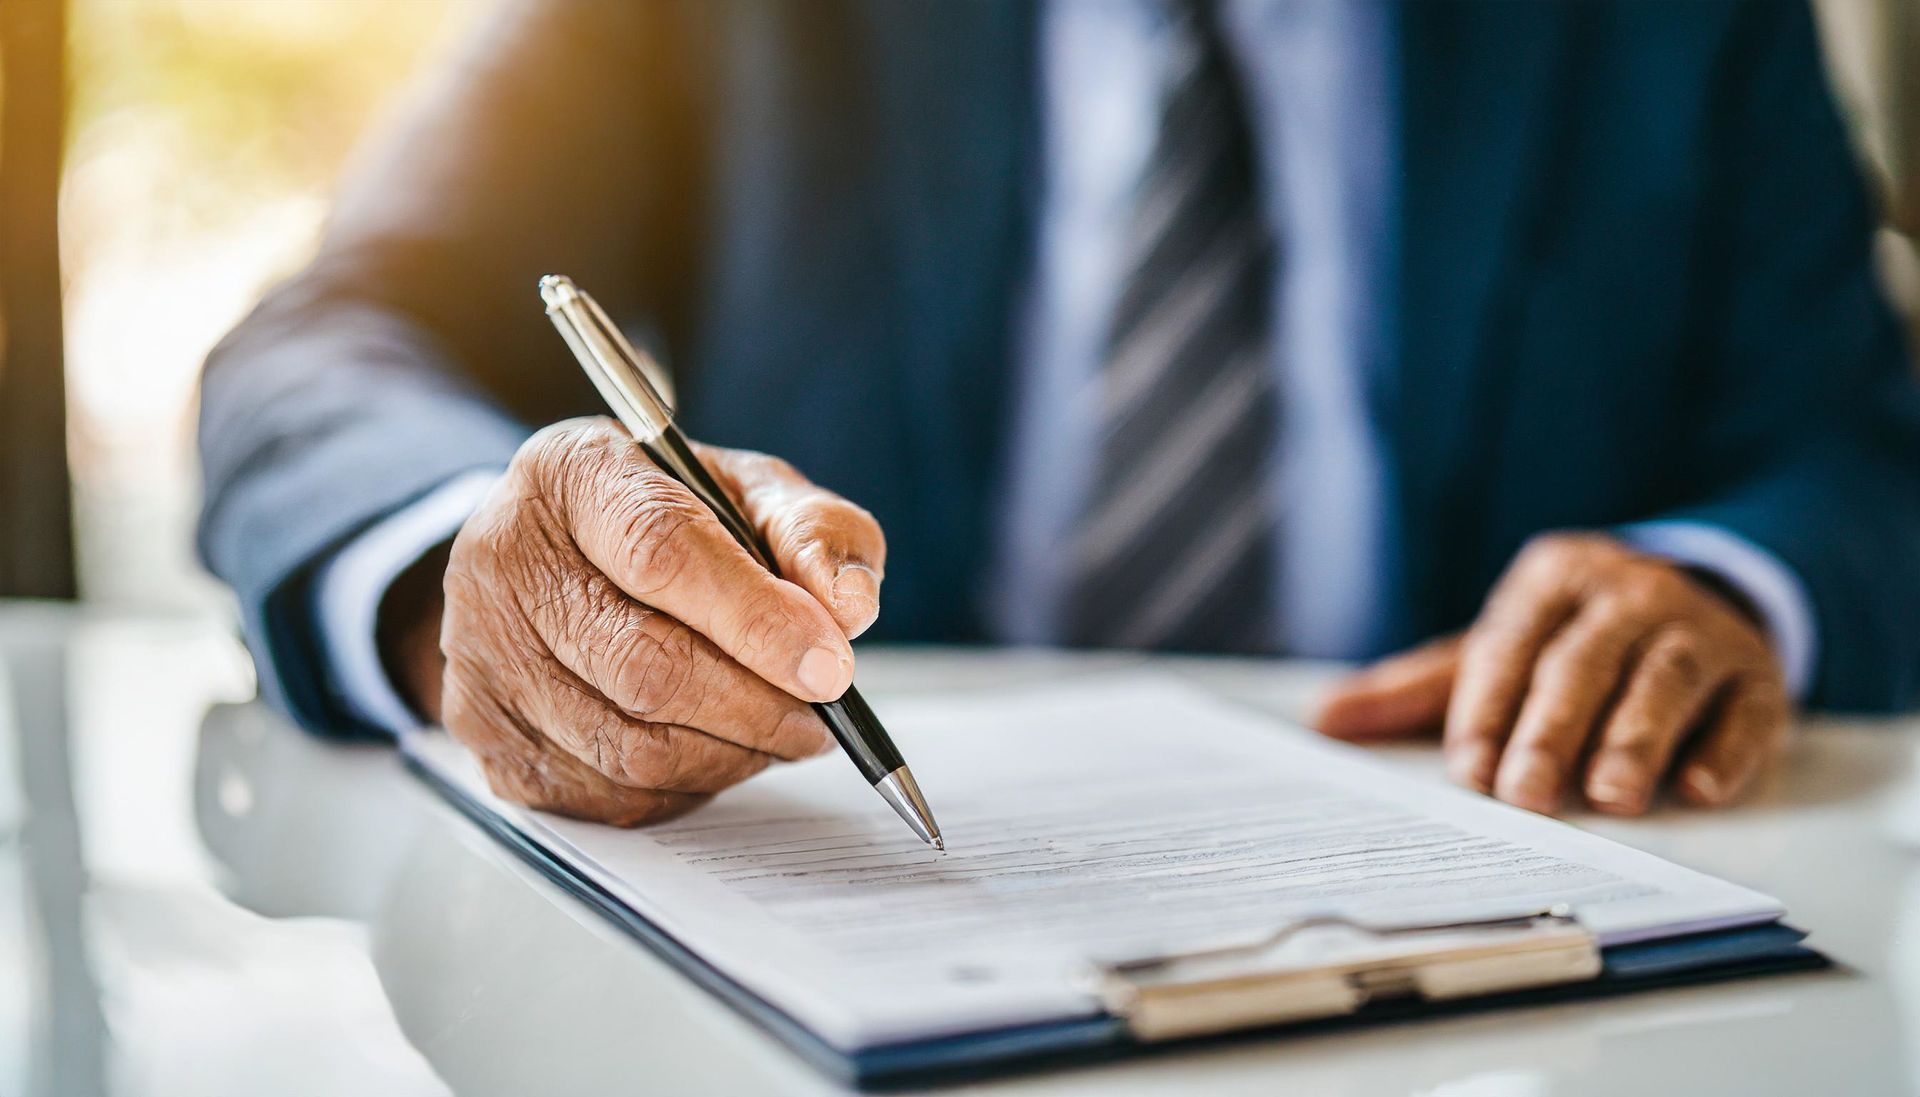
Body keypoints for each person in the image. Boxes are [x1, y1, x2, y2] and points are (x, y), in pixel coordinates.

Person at [197, 0, 1920, 826]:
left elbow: (1858, 451)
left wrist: (1723, 578)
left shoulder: (1688, 26)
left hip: (1493, 929)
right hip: (857, 917)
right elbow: (327, 345)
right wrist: (474, 590)